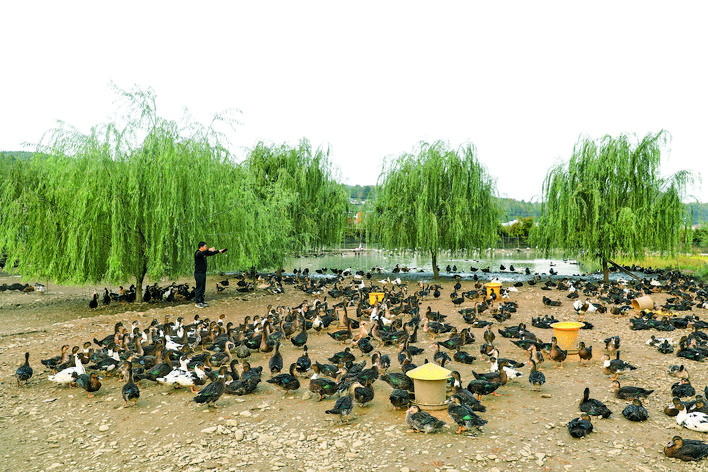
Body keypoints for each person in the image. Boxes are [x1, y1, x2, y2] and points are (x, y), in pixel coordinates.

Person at [194, 241, 226, 308]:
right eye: (205, 246)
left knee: (203, 288)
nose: (206, 247)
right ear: (201, 247)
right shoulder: (198, 253)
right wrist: (208, 250)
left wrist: (219, 251)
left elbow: (211, 253)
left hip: (203, 273)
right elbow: (201, 253)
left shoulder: (204, 253)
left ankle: (202, 301)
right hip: (198, 273)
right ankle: (198, 302)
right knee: (199, 288)